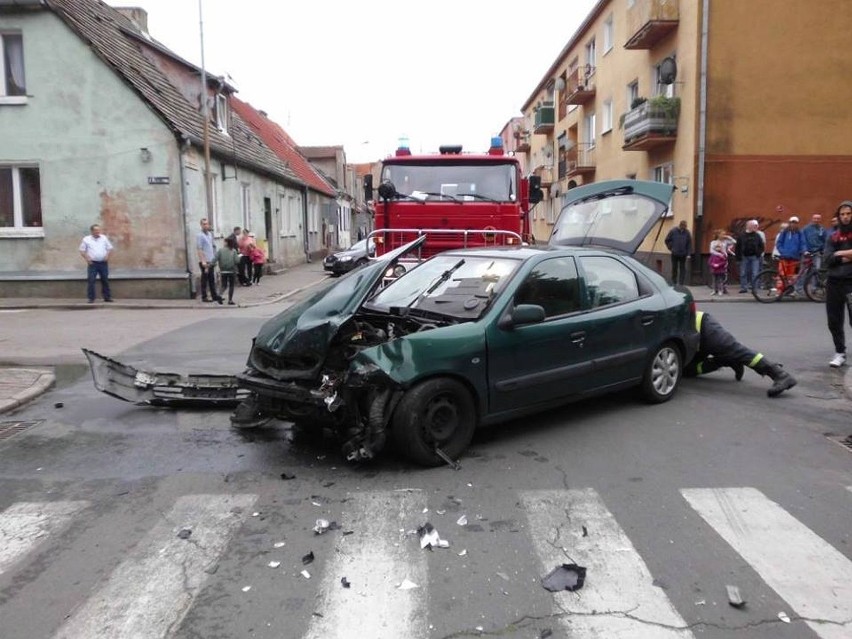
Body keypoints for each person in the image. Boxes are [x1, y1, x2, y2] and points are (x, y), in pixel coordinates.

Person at [685, 310, 797, 397]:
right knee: (686, 371)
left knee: (737, 351)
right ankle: (726, 360)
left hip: (701, 326)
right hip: (690, 341)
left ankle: (780, 374)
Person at [823, 200, 852, 368]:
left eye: (848, 213)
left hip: (851, 282)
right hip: (834, 282)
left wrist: (838, 253)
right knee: (834, 320)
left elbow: (833, 257)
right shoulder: (832, 235)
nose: (845, 217)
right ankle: (840, 352)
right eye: (842, 214)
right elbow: (827, 259)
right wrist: (847, 256)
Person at [79, 224, 114, 303]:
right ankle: (91, 298)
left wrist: (107, 256)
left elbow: (109, 248)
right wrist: (87, 259)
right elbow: (82, 250)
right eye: (96, 230)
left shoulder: (104, 238)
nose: (97, 232)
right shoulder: (86, 239)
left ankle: (107, 297)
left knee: (105, 280)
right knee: (91, 280)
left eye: (98, 230)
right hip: (93, 263)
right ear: (92, 231)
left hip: (103, 263)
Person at [774, 215, 806, 296]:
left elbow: (803, 243)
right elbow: (779, 243)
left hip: (795, 257)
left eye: (795, 223)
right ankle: (779, 291)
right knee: (782, 275)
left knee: (791, 276)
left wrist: (804, 251)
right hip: (784, 257)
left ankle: (788, 291)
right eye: (792, 222)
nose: (793, 224)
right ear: (789, 223)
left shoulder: (800, 233)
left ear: (797, 224)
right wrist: (782, 251)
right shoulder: (784, 232)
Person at [196, 218, 223, 303]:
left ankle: (214, 295)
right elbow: (199, 249)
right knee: (205, 279)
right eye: (203, 224)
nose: (205, 225)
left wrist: (214, 259)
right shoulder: (200, 235)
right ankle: (204, 297)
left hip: (211, 260)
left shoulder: (210, 235)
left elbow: (212, 247)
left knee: (212, 279)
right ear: (201, 225)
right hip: (205, 261)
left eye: (207, 224)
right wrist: (203, 261)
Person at [735, 219, 765, 293]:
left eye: (753, 226)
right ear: (747, 226)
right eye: (751, 225)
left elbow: (761, 245)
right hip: (744, 256)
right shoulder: (741, 235)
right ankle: (743, 288)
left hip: (755, 257)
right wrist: (738, 257)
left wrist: (759, 253)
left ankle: (754, 288)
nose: (753, 227)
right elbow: (737, 247)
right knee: (743, 273)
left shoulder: (757, 235)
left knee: (755, 273)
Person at [213, 237, 239, 305]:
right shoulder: (233, 251)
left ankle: (219, 295)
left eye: (224, 242)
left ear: (226, 243)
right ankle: (230, 300)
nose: (223, 243)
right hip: (232, 271)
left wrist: (210, 265)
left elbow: (215, 259)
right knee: (231, 286)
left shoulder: (220, 250)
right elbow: (237, 261)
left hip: (223, 271)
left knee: (224, 285)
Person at [665, 220, 692, 285]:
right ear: (680, 226)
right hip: (675, 253)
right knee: (674, 268)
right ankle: (674, 282)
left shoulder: (687, 233)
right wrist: (671, 248)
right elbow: (667, 240)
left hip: (683, 254)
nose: (684, 229)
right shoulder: (673, 231)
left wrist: (688, 253)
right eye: (683, 227)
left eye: (685, 227)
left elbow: (689, 243)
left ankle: (681, 283)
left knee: (682, 269)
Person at [708, 230, 729, 295]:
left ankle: (721, 289)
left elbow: (734, 242)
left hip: (721, 267)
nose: (723, 235)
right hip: (714, 268)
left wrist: (728, 237)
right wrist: (713, 264)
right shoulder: (713, 243)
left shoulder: (725, 242)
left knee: (721, 278)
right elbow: (710, 259)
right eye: (722, 234)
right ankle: (714, 290)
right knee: (714, 279)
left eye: (724, 234)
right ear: (718, 235)